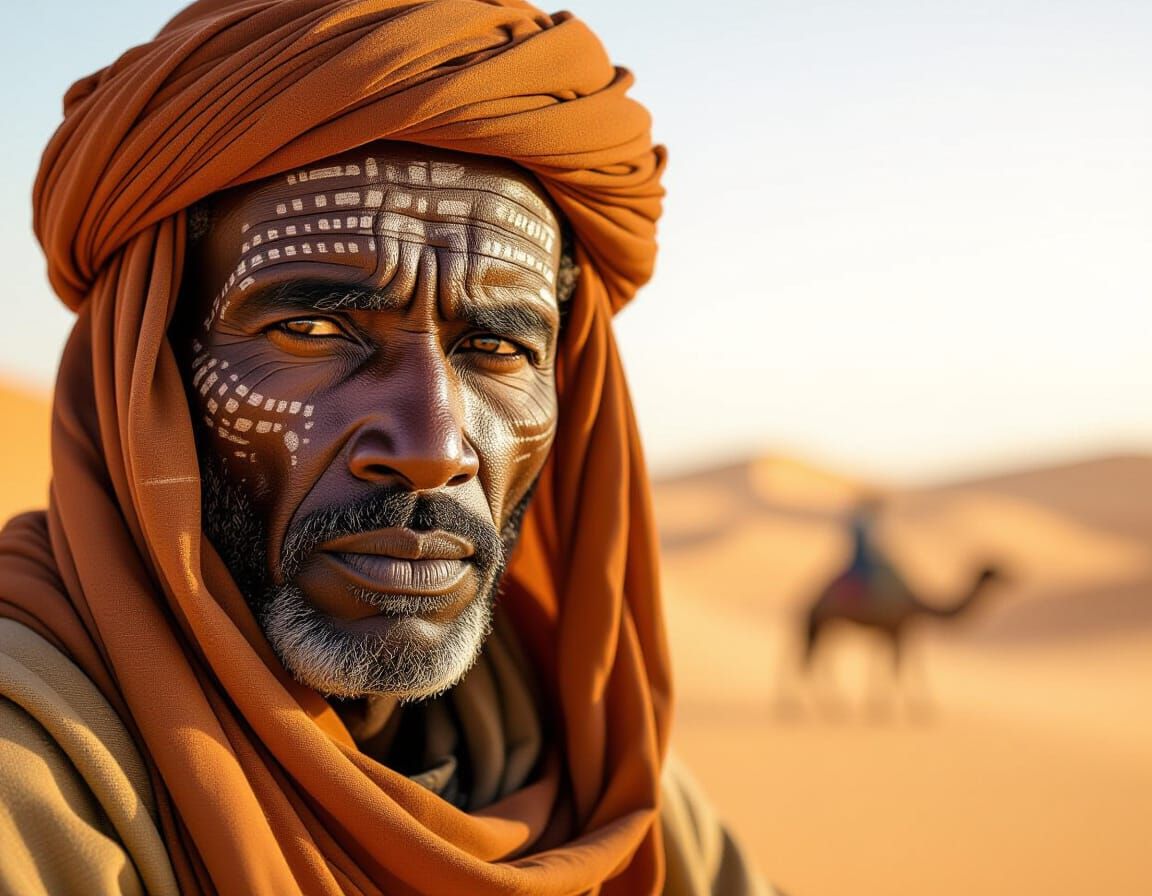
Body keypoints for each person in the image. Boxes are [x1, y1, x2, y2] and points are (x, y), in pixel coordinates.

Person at [0, 1, 772, 894]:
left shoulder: (595, 775)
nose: (434, 448)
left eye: (497, 347)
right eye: (313, 330)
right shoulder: (31, 790)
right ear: (147, 370)